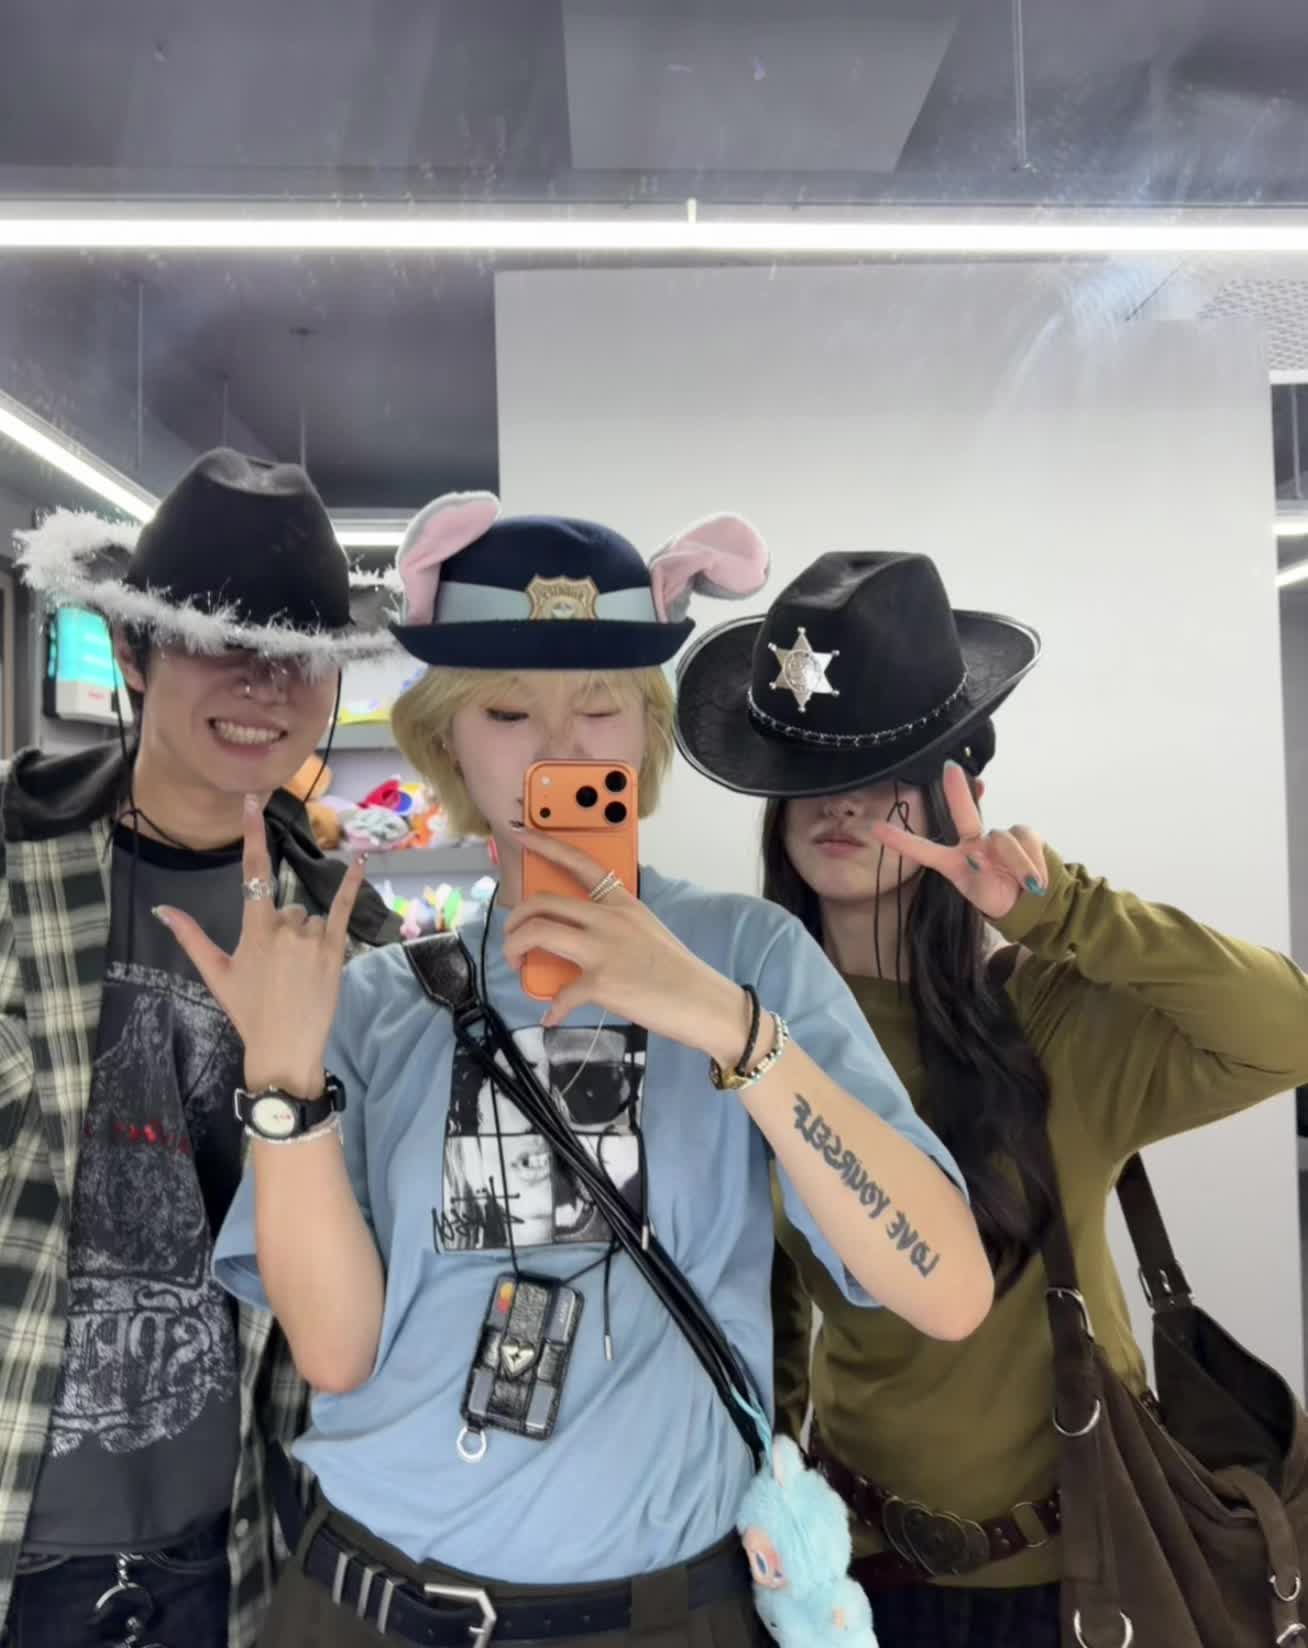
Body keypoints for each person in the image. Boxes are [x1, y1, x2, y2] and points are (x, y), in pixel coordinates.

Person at [167, 493, 993, 1648]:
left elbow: (946, 1289)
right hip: (367, 1601)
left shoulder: (748, 958)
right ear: (450, 743)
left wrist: (720, 1021)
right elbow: (338, 1354)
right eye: (508, 710)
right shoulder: (377, 1001)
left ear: (645, 733)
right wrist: (285, 1081)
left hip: (663, 1615)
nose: (560, 748)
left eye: (600, 706)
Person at [674, 548, 1308, 1648]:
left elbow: (1284, 1030)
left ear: (952, 787)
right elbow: (760, 1305)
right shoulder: (749, 1036)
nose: (844, 804)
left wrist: (1065, 911)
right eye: (810, 772)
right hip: (855, 1579)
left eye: (887, 769)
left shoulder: (1047, 1015)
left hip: (1090, 1576)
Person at [1, 449, 400, 1648]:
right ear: (133, 652)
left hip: (234, 1553)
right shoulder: (16, 862)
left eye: (299, 653)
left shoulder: (352, 940)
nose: (264, 683)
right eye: (220, 639)